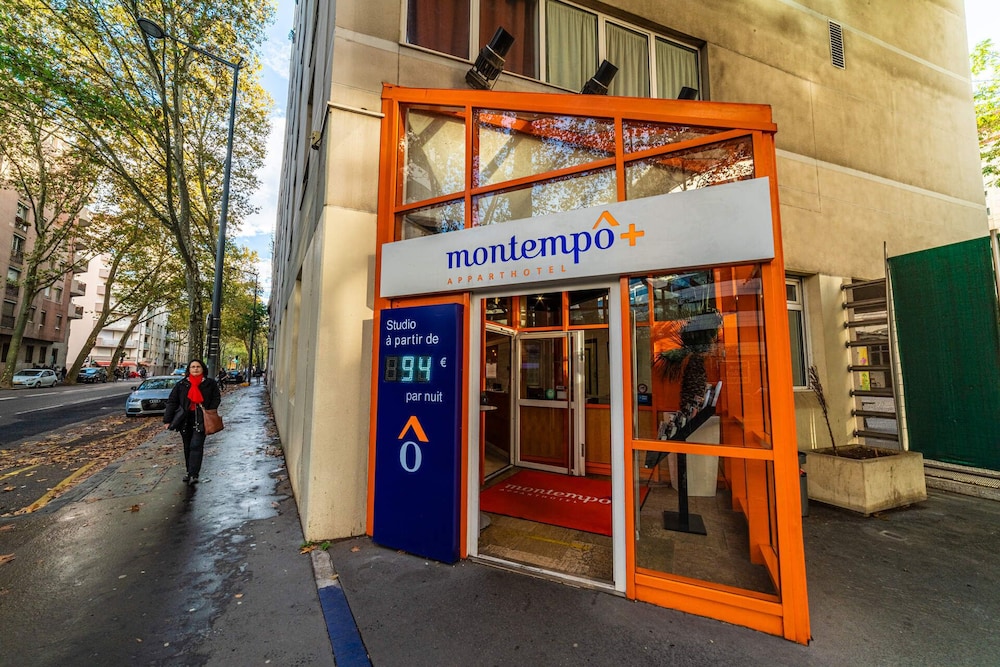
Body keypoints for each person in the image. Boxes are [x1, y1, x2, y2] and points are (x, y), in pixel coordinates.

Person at [163, 359, 222, 485]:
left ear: (203, 369)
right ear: (189, 369)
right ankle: (189, 471)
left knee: (196, 445)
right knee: (187, 446)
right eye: (193, 367)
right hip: (185, 419)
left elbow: (216, 398)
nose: (195, 369)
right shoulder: (181, 384)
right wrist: (167, 420)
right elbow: (172, 402)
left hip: (201, 418)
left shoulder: (210, 384)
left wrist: (210, 409)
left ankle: (194, 474)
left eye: (198, 366)